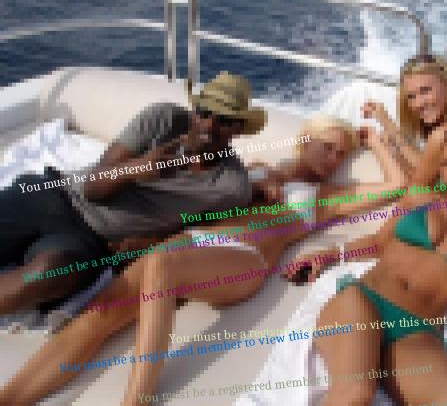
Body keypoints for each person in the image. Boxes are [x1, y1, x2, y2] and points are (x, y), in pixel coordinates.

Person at [0, 117, 409, 406]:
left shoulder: (327, 198)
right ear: (305, 141)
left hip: (244, 258)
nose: (334, 159)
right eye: (328, 147)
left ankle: (135, 401)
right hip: (193, 245)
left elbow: (398, 185)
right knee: (95, 318)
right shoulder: (254, 172)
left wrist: (377, 139)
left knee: (163, 264)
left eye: (341, 154)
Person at [0, 71, 265, 314]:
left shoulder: (231, 187)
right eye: (204, 112)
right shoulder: (163, 120)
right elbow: (93, 188)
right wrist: (138, 168)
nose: (209, 125)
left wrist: (149, 243)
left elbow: (199, 234)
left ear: (239, 129)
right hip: (55, 195)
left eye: (224, 121)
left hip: (91, 240)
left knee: (46, 275)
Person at [285, 124, 447, 406]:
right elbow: (377, 243)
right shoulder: (420, 197)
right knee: (354, 395)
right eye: (445, 163)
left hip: (416, 332)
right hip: (364, 302)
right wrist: (329, 254)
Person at [362, 53, 447, 326]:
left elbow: (415, 190)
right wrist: (388, 126)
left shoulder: (442, 134)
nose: (418, 104)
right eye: (411, 97)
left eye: (426, 91)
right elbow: (432, 167)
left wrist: (374, 243)